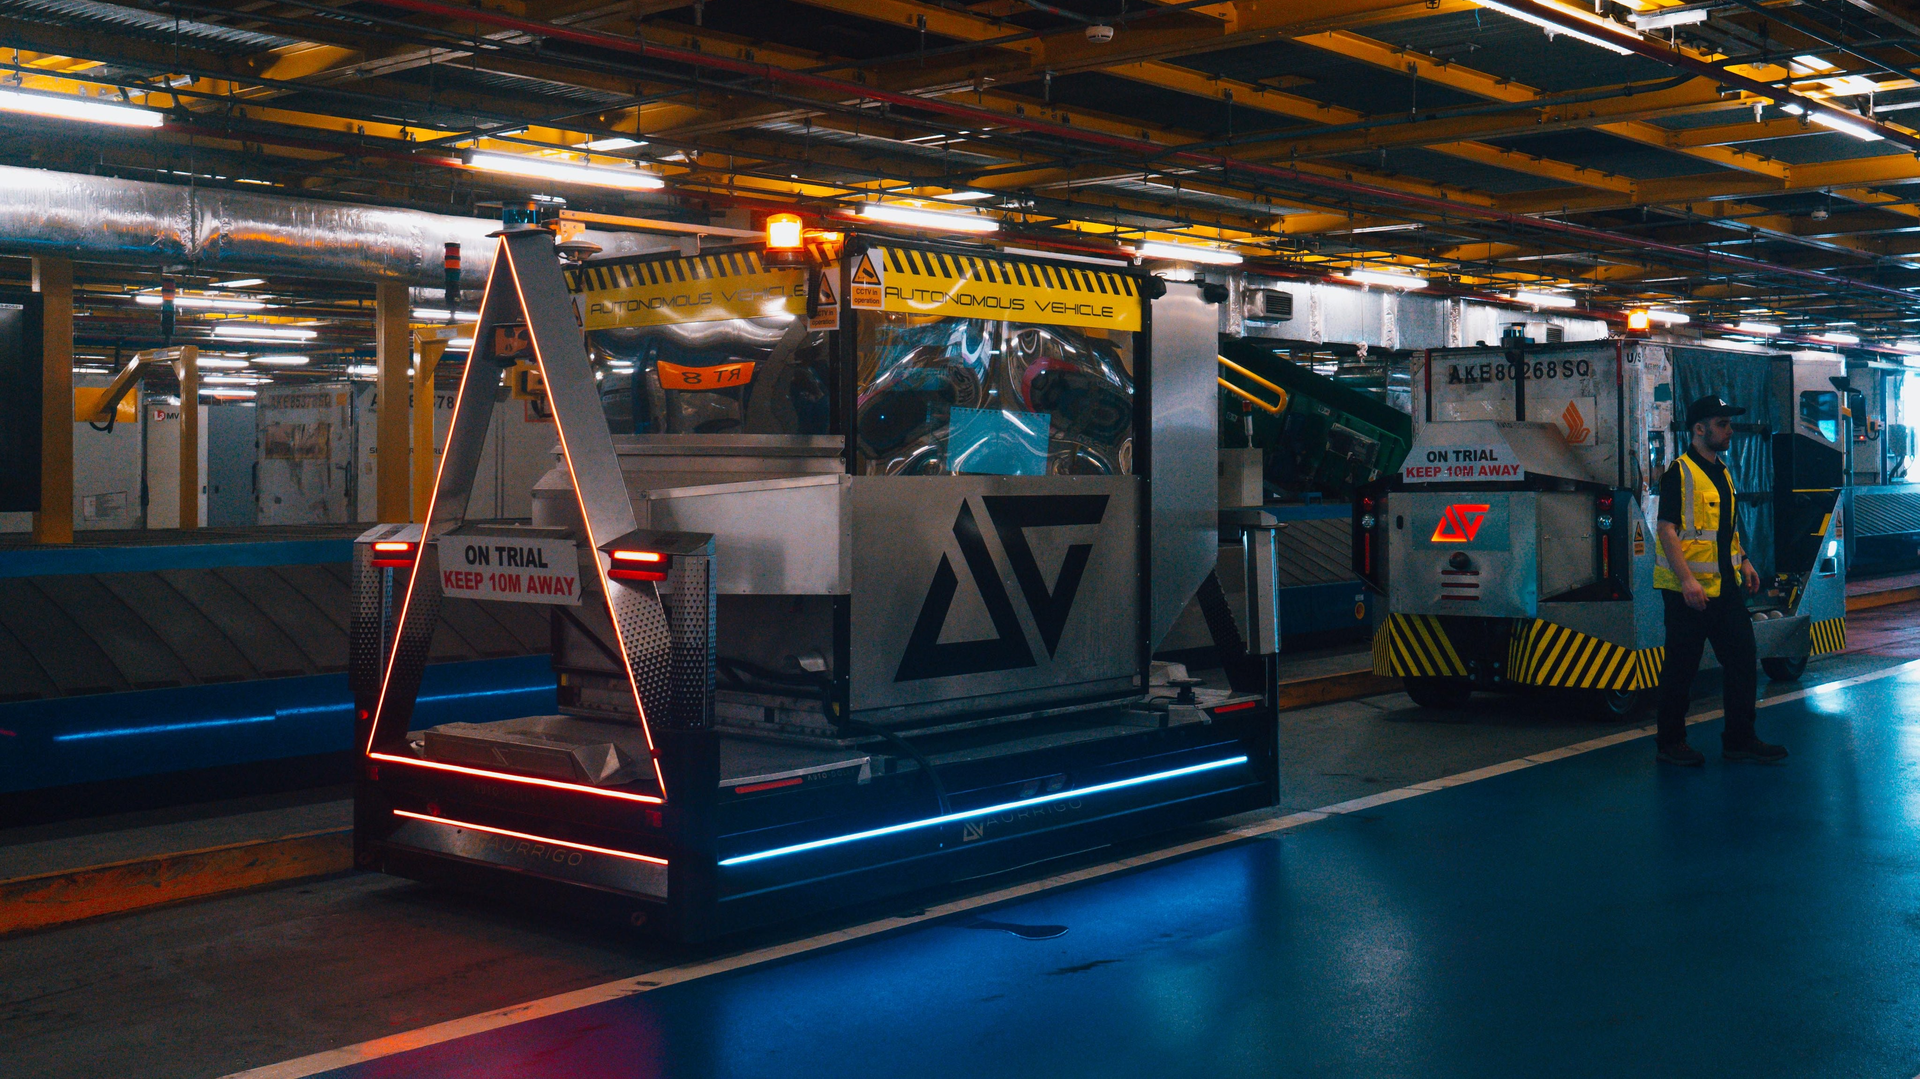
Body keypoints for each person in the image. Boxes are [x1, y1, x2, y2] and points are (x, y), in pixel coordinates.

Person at [1652, 395, 1789, 766]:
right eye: (1722, 424)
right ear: (1700, 429)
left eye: (1729, 424)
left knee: (1743, 661)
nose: (1729, 431)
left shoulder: (1722, 472)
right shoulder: (1678, 473)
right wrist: (1685, 581)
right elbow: (1666, 530)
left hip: (1724, 590)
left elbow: (1723, 529)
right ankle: (1670, 743)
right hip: (1688, 593)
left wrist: (1744, 560)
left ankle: (1739, 739)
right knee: (1681, 668)